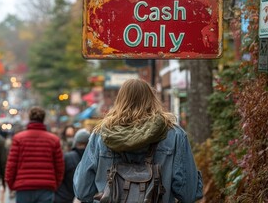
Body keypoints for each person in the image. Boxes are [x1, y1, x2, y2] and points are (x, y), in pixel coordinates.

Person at [73, 79, 203, 203]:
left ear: (119, 101)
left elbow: (83, 190)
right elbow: (188, 193)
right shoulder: (174, 135)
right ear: (152, 100)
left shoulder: (101, 135)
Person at [5, 106, 65, 203]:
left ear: (30, 118)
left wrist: (11, 184)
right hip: (46, 187)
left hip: (23, 187)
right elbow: (59, 166)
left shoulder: (18, 138)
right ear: (43, 119)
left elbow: (11, 164)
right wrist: (55, 184)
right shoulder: (54, 140)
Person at [55, 128, 90, 203]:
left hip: (64, 197)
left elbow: (58, 177)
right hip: (85, 198)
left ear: (76, 142)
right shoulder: (92, 159)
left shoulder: (67, 157)